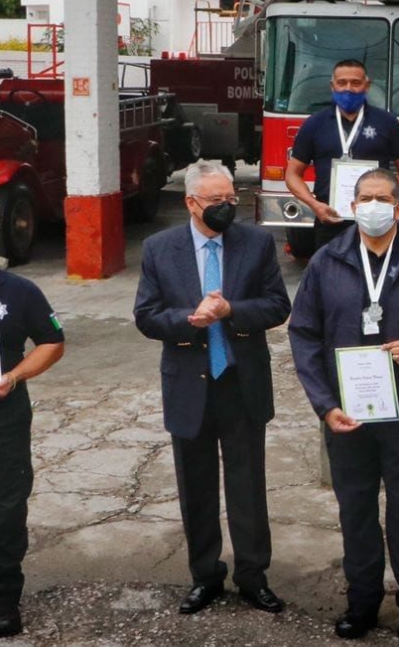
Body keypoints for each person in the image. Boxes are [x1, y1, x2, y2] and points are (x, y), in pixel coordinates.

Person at [289, 168, 399, 642]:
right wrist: (324, 405)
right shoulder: (328, 261)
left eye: (382, 198)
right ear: (352, 204)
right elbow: (303, 335)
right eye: (364, 197)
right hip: (346, 414)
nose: (372, 205)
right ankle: (362, 602)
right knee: (357, 509)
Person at [133, 160, 292, 616]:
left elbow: (277, 306)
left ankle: (252, 576)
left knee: (248, 485)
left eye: (230, 199)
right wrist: (189, 320)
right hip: (189, 383)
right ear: (190, 202)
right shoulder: (159, 249)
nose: (226, 207)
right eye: (216, 201)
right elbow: (146, 316)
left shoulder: (256, 242)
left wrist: (230, 311)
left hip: (241, 380)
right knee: (196, 486)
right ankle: (205, 576)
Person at [286, 58, 399, 251]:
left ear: (367, 85)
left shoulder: (387, 122)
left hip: (376, 220)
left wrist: (389, 201)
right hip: (330, 219)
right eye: (342, 83)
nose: (348, 89)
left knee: (376, 276)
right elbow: (292, 174)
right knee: (332, 278)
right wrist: (314, 205)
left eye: (356, 83)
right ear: (332, 86)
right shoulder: (315, 124)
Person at [0, 272, 64, 638]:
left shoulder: (20, 291)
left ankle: (4, 596)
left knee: (7, 505)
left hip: (6, 416)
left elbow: (52, 341)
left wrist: (13, 376)